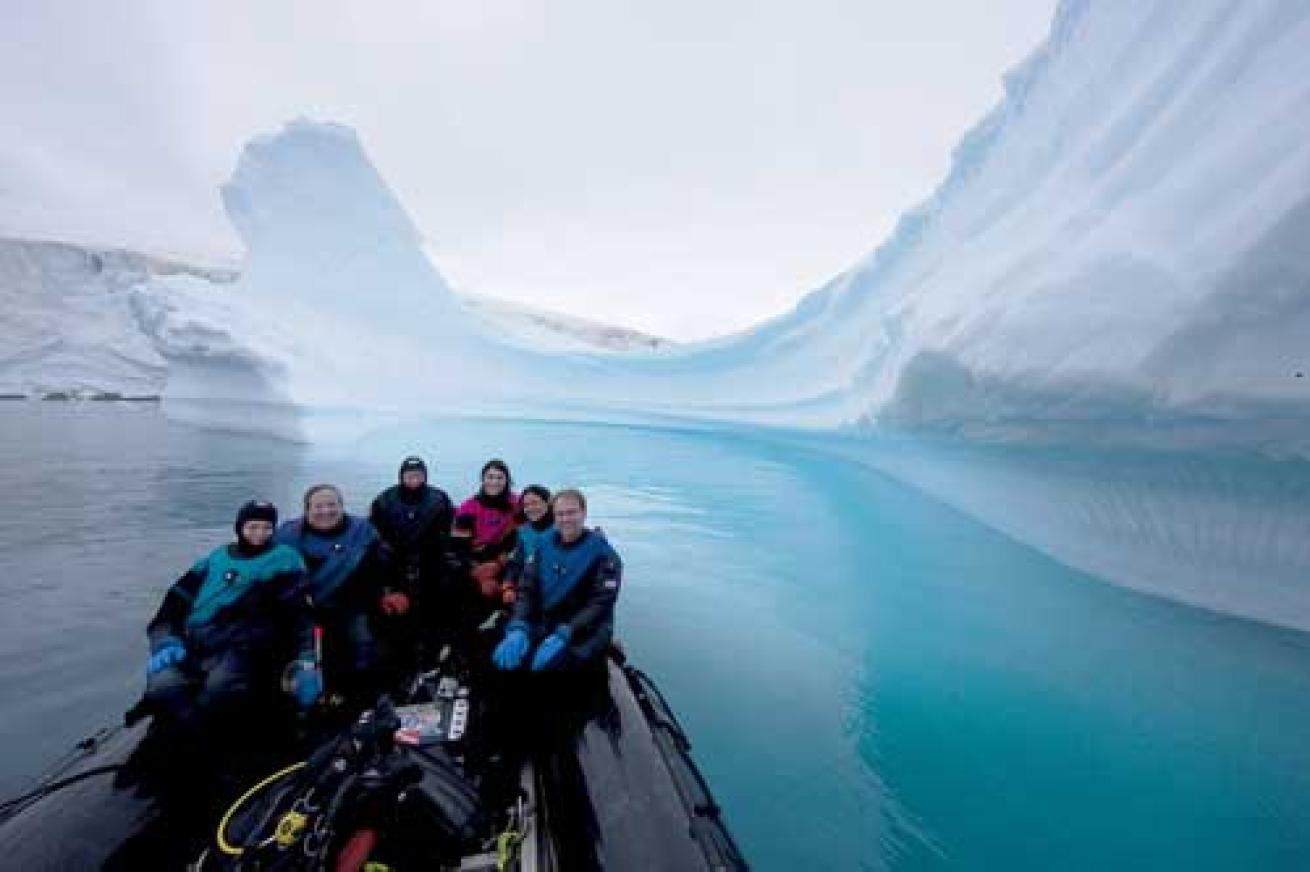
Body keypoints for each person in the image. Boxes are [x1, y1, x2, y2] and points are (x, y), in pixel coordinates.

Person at [144, 500, 320, 737]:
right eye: (253, 526)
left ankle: (213, 741)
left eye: (267, 528)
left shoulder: (285, 561)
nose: (259, 534)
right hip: (191, 644)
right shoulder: (214, 559)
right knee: (162, 686)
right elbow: (172, 605)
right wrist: (165, 641)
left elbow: (301, 617)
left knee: (219, 690)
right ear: (239, 527)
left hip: (241, 646)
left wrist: (306, 660)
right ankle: (179, 733)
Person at [275, 484, 393, 708]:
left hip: (351, 605)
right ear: (307, 509)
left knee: (363, 647)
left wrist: (389, 591)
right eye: (318, 506)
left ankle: (358, 701)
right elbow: (274, 576)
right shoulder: (288, 535)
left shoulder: (362, 531)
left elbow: (383, 565)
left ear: (342, 507)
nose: (326, 511)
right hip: (304, 608)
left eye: (332, 505)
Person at [492, 488, 621, 673]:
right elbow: (528, 589)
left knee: (559, 670)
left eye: (571, 513)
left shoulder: (604, 555)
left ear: (583, 513)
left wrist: (567, 631)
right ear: (554, 515)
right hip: (548, 620)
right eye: (560, 514)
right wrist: (519, 625)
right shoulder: (544, 544)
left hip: (586, 628)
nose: (565, 519)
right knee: (502, 659)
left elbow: (600, 603)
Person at [369, 455, 461, 663]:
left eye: (418, 475)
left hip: (431, 561)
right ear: (401, 477)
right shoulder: (384, 500)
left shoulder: (439, 499)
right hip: (396, 563)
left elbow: (449, 534)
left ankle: (436, 648)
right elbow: (375, 535)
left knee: (437, 604)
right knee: (399, 612)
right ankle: (401, 652)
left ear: (425, 476)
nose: (413, 480)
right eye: (409, 475)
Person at [453, 459, 520, 607]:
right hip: (475, 560)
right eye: (490, 477)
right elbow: (459, 548)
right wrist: (477, 571)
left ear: (507, 480)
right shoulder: (468, 508)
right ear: (482, 480)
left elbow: (522, 537)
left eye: (499, 477)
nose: (494, 482)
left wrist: (499, 564)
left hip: (505, 559)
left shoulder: (517, 504)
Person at [502, 484, 553, 599]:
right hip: (529, 587)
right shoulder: (523, 532)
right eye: (526, 505)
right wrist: (508, 587)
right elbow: (516, 562)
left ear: (548, 502)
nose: (530, 508)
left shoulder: (562, 527)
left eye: (535, 503)